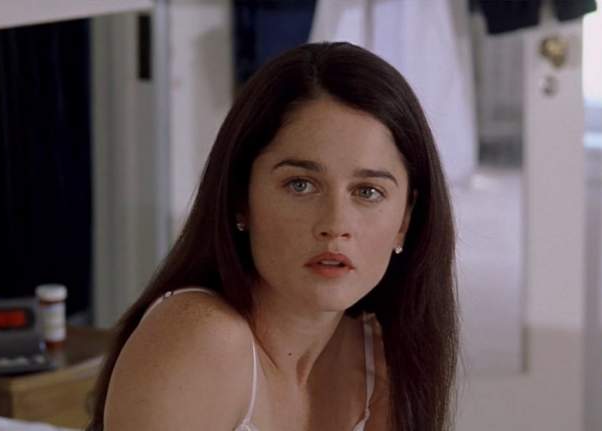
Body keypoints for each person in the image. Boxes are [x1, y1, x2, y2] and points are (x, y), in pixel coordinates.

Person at [87, 42, 458, 431]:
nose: (335, 224)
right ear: (240, 199)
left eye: (368, 192)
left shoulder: (383, 356)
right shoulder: (202, 339)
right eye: (300, 185)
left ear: (405, 219)